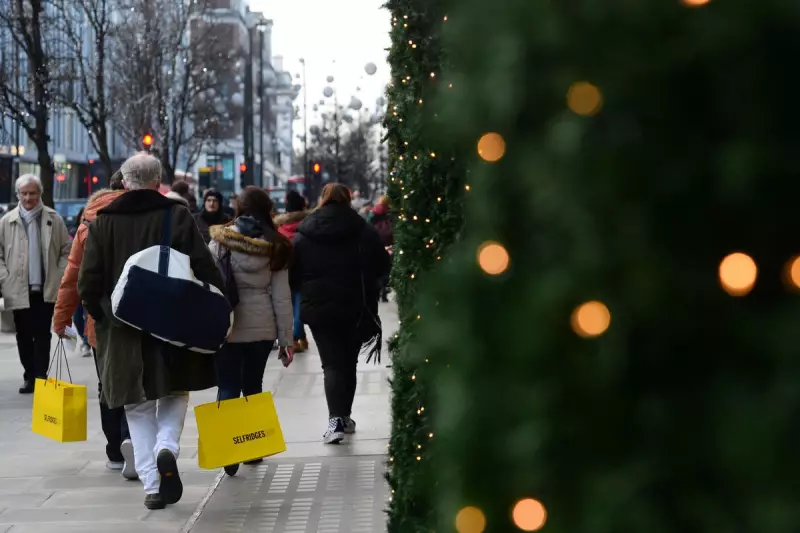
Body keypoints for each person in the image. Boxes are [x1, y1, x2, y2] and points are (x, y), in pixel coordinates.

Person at [78, 153, 224, 510]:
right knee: (175, 392)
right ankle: (167, 448)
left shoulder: (102, 223)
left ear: (125, 182)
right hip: (171, 324)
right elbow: (206, 269)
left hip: (122, 330)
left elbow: (87, 283)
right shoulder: (177, 217)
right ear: (158, 181)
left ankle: (151, 485)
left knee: (136, 407)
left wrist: (106, 319)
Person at [291, 183, 390, 444]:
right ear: (347, 199)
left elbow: (293, 273)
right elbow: (382, 265)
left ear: (322, 200)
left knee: (332, 364)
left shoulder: (305, 233)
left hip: (319, 309)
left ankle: (335, 419)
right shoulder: (363, 230)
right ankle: (343, 416)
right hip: (355, 306)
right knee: (348, 363)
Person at [209, 186, 293, 475]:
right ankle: (253, 449)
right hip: (262, 328)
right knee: (253, 386)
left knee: (228, 385)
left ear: (239, 209)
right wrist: (286, 340)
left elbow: (210, 282)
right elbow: (281, 296)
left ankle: (229, 451)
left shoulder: (220, 241)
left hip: (227, 325)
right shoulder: (276, 246)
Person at [53, 188, 136, 479]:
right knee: (137, 381)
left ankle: (115, 450)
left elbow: (73, 276)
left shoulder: (88, 225)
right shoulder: (139, 217)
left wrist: (61, 318)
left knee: (107, 384)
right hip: (140, 315)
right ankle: (132, 440)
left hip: (99, 321)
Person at [0, 175, 71, 394]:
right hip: (17, 287)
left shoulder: (54, 219)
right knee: (22, 334)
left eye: (33, 193)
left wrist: (59, 276)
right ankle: (29, 374)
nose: (28, 197)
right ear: (18, 195)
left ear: (39, 194)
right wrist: (5, 277)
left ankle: (40, 376)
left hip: (45, 287)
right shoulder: (6, 221)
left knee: (42, 334)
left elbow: (66, 251)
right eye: (24, 193)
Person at [275, 190, 311, 353]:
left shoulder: (280, 228)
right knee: (299, 307)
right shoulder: (308, 224)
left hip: (285, 272)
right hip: (304, 272)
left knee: (288, 307)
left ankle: (297, 337)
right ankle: (298, 337)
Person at [370, 195, 394, 302]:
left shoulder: (373, 211)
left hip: (376, 242)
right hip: (389, 242)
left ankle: (378, 287)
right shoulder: (391, 212)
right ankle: (385, 288)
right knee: (386, 267)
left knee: (376, 266)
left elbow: (368, 224)